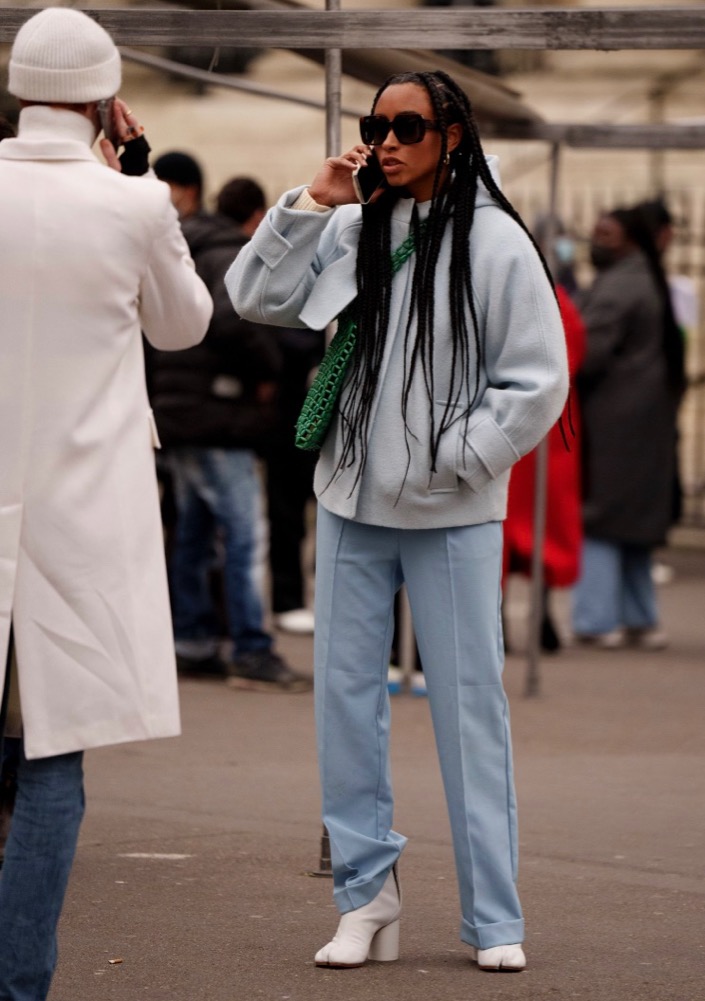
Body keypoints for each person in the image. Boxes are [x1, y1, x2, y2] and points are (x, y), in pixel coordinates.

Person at [227, 70, 568, 972]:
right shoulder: (352, 224)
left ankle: (494, 914)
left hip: (452, 511)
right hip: (347, 499)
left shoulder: (495, 242)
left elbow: (537, 381)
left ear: (452, 135)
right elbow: (252, 297)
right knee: (343, 706)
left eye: (406, 124)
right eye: (375, 123)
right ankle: (365, 899)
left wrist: (451, 457)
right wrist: (310, 201)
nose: (384, 139)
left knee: (469, 711)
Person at [0, 8, 213, 999]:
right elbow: (184, 324)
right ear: (103, 96)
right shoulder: (129, 204)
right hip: (79, 526)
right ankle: (22, 981)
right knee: (51, 764)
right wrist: (139, 169)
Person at [149, 157, 312, 692]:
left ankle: (193, 640)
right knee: (245, 533)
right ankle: (251, 646)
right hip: (219, 413)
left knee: (195, 530)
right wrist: (266, 369)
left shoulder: (184, 243)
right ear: (257, 220)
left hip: (178, 409)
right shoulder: (229, 253)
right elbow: (230, 318)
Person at [571, 206, 686, 649]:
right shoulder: (644, 278)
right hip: (643, 419)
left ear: (632, 240)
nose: (596, 241)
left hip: (614, 421)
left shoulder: (620, 285)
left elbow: (587, 351)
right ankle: (639, 615)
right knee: (635, 521)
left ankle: (596, 618)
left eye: (608, 234)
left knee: (602, 517)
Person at [217, 176, 324, 636]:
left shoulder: (227, 256)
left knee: (229, 521)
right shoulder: (258, 267)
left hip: (254, 408)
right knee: (275, 512)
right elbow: (279, 334)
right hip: (280, 407)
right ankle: (279, 603)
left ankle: (271, 603)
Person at [503, 220, 586, 652]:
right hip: (554, 432)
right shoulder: (561, 303)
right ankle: (544, 615)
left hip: (511, 425)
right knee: (545, 527)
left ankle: (498, 616)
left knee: (501, 525)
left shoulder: (507, 291)